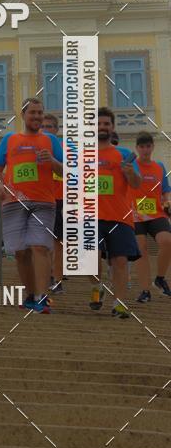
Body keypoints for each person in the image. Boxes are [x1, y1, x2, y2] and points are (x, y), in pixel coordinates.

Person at [0, 98, 63, 313]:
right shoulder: (10, 139)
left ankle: (42, 296)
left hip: (44, 202)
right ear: (23, 115)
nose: (37, 117)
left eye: (40, 113)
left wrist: (52, 161)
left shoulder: (51, 140)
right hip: (13, 202)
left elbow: (67, 172)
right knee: (21, 252)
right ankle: (31, 295)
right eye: (32, 113)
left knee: (40, 246)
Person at [88, 107, 141, 318]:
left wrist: (130, 173)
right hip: (90, 216)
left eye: (106, 124)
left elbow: (136, 185)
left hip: (120, 216)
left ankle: (118, 303)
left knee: (120, 261)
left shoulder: (125, 154)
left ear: (112, 127)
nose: (102, 127)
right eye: (99, 124)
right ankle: (97, 287)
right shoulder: (83, 154)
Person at [132, 132, 171, 302]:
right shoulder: (132, 165)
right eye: (142, 146)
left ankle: (160, 278)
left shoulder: (159, 166)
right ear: (137, 148)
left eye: (148, 146)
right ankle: (145, 290)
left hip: (156, 213)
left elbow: (165, 189)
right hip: (135, 215)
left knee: (167, 241)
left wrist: (167, 202)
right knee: (141, 251)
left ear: (153, 147)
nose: (145, 150)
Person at [41, 113, 64, 292]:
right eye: (43, 127)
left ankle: (57, 279)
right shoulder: (36, 148)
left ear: (56, 130)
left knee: (58, 241)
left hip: (62, 199)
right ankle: (46, 274)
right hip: (41, 198)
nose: (46, 130)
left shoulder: (66, 148)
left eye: (50, 127)